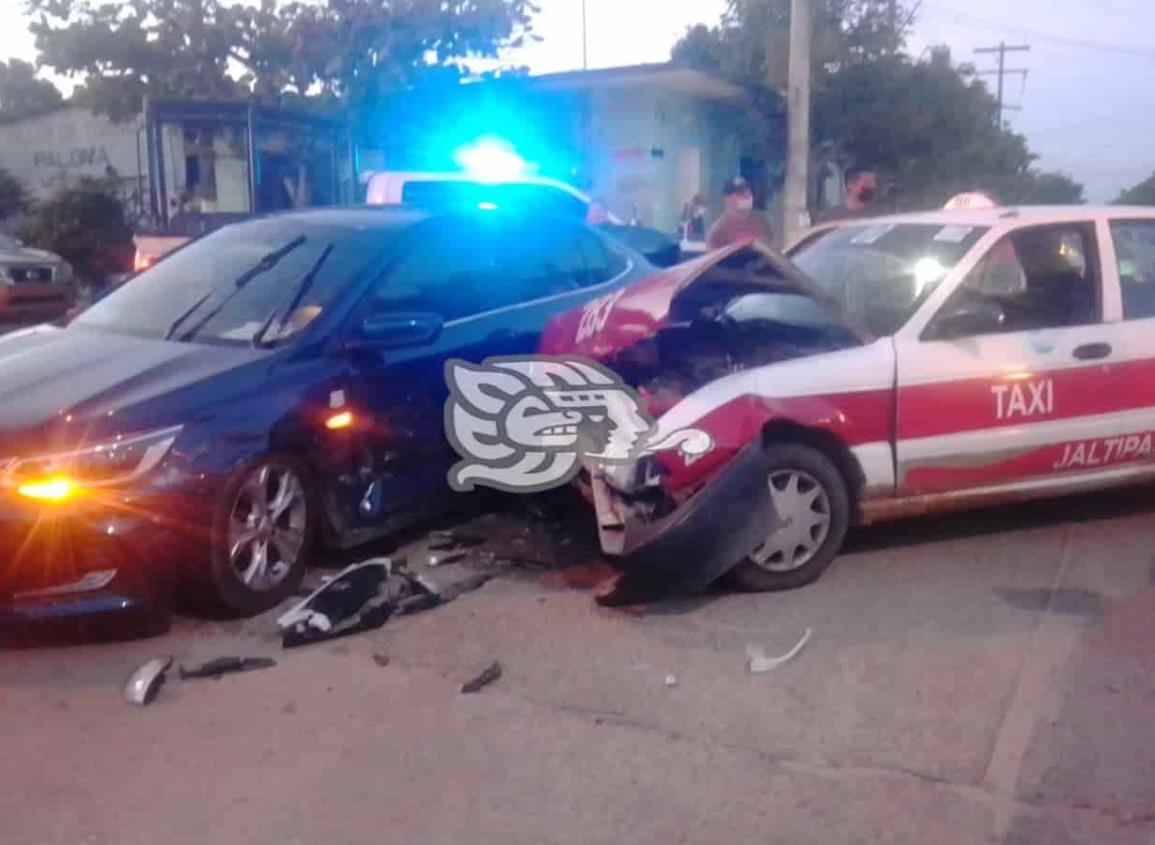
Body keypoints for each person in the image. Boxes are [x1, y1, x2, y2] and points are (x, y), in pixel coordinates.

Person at [705, 177, 774, 250]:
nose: (746, 195)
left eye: (749, 192)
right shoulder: (718, 231)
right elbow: (713, 257)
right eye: (740, 193)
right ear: (727, 199)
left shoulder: (762, 222)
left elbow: (769, 248)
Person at [813, 165, 880, 224]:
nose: (872, 185)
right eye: (867, 182)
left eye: (874, 182)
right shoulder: (830, 218)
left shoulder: (879, 216)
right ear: (850, 184)